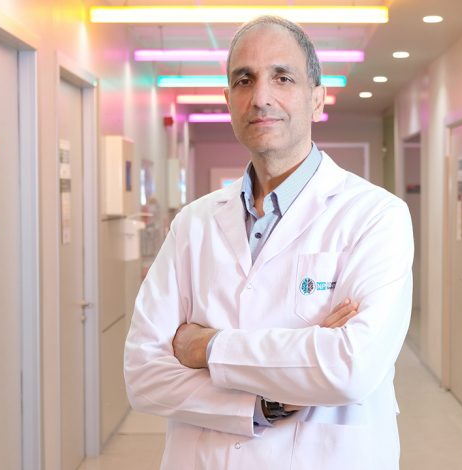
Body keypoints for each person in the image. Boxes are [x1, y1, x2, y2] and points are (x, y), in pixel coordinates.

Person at [124, 15, 413, 470]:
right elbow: (143, 374)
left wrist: (207, 348)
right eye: (244, 80)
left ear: (317, 98)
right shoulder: (193, 224)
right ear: (228, 101)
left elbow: (350, 367)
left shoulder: (376, 216)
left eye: (283, 77)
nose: (260, 97)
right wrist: (267, 401)